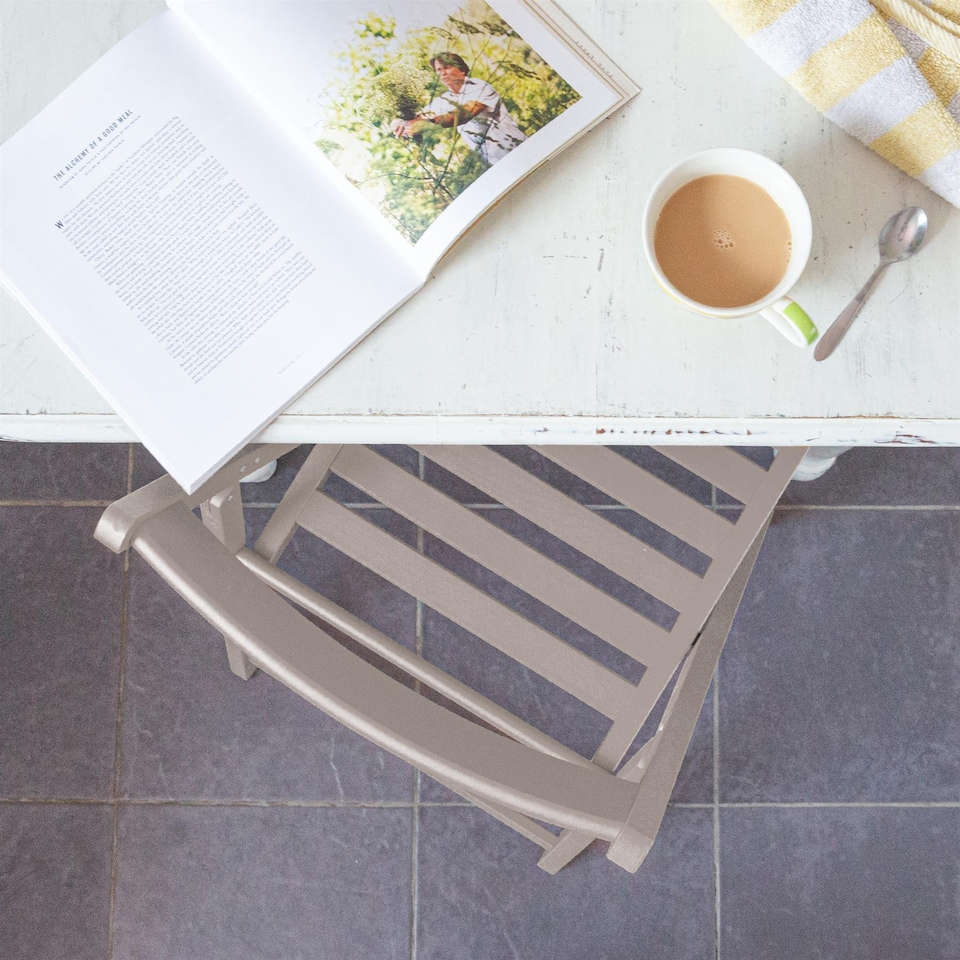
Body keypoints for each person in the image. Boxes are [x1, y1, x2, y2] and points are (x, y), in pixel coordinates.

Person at [391, 52, 526, 166]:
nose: (443, 73)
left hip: (519, 151)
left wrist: (429, 123)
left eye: (447, 67)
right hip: (494, 163)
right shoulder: (443, 100)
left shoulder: (479, 86)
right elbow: (419, 116)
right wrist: (401, 123)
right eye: (439, 70)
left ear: (461, 69)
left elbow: (464, 114)